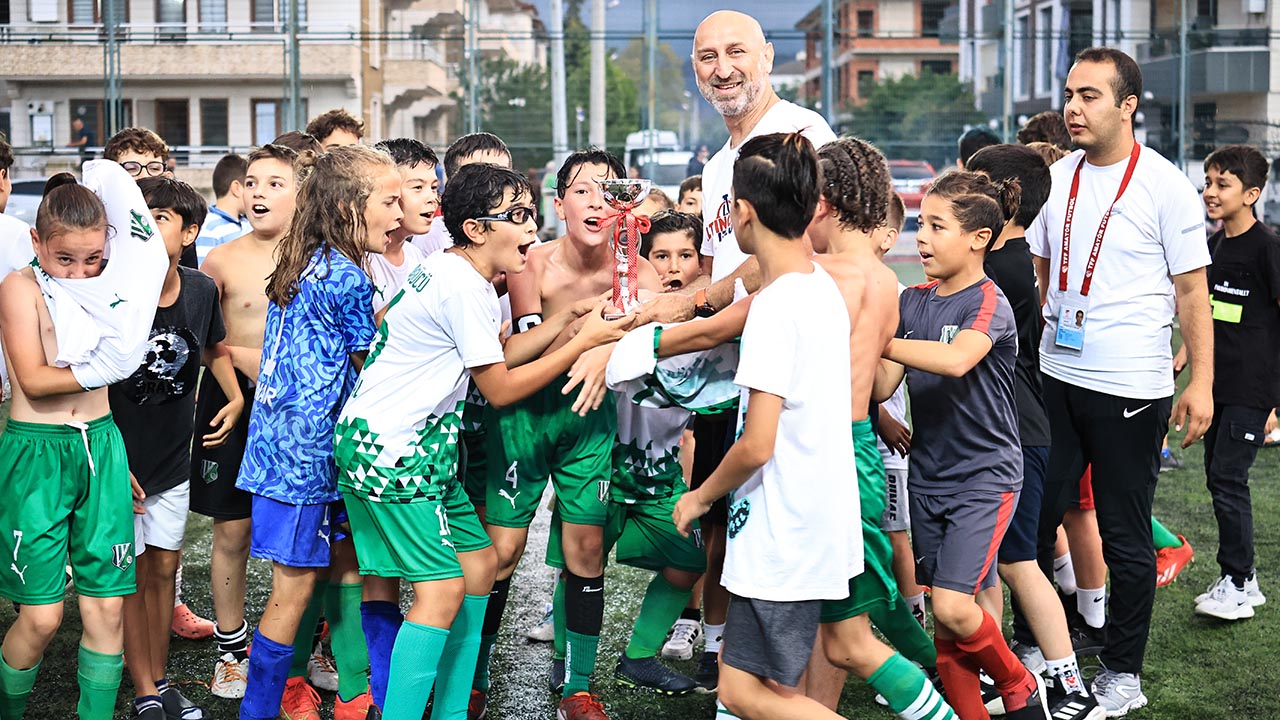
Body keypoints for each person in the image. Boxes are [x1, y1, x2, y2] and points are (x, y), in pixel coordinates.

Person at [334, 161, 627, 719]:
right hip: (390, 454)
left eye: (529, 213)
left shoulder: (452, 272)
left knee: (479, 568)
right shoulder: (463, 287)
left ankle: (448, 711)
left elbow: (495, 356)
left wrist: (565, 320)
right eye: (516, 216)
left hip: (420, 452)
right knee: (442, 591)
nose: (529, 229)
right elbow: (498, 388)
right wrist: (581, 340)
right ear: (475, 229)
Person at [647, 12, 837, 687]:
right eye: (706, 57)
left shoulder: (802, 135)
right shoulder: (720, 160)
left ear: (768, 57)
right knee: (722, 518)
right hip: (724, 371)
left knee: (776, 525)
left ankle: (787, 677)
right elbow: (710, 268)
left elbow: (798, 248)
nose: (722, 67)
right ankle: (723, 654)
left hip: (781, 362)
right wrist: (653, 301)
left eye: (735, 52)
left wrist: (700, 303)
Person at [1027, 47, 1213, 716]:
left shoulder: (1164, 185)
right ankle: (1036, 652)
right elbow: (1047, 271)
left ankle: (1121, 672)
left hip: (1132, 385)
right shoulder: (1059, 177)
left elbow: (1193, 290)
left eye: (1090, 96)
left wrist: (1201, 382)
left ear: (1128, 105)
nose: (1073, 107)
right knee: (1038, 519)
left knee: (1125, 533)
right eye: (1069, 94)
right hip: (1057, 374)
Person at [671, 132, 858, 720]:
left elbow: (756, 443)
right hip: (803, 524)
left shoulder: (777, 309)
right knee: (762, 693)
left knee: (744, 692)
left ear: (742, 216)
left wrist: (699, 497)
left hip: (785, 534)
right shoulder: (815, 287)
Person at [473, 148, 660, 720]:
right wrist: (587, 333)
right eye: (583, 190)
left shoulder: (638, 268)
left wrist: (618, 345)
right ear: (559, 205)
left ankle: (578, 687)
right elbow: (517, 351)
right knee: (500, 552)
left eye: (610, 189)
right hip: (523, 418)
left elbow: (655, 343)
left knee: (586, 550)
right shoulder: (531, 264)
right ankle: (472, 678)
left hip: (589, 419)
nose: (599, 200)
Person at [875, 169, 1049, 720]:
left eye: (936, 226)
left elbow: (955, 361)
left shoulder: (988, 302)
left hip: (986, 476)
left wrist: (881, 338)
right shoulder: (913, 300)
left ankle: (1021, 685)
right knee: (949, 623)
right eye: (919, 225)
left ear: (978, 238)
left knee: (953, 605)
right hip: (926, 475)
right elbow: (883, 385)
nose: (920, 238)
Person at [236, 145, 401, 720]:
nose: (399, 214)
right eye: (389, 201)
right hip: (305, 460)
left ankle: (367, 694)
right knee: (294, 589)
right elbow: (372, 369)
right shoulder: (347, 276)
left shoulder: (309, 259)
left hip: (283, 451)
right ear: (351, 206)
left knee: (335, 573)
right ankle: (257, 710)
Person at [0, 162, 168, 719]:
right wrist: (110, 369)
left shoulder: (112, 286)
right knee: (42, 617)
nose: (79, 272)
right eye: (63, 258)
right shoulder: (19, 287)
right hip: (37, 453)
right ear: (36, 241)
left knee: (108, 613)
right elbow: (34, 380)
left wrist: (114, 456)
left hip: (101, 446)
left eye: (93, 258)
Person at [803, 136, 957, 720]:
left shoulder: (821, 276)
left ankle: (957, 677)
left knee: (856, 624)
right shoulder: (881, 281)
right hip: (852, 449)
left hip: (834, 457)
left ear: (823, 202)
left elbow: (721, 323)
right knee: (841, 619)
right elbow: (879, 388)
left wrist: (655, 331)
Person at [967, 143, 1103, 719]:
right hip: (1009, 429)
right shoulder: (1010, 260)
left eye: (970, 187)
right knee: (992, 566)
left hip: (1016, 434)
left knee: (1020, 561)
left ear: (1001, 198)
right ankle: (999, 674)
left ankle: (1070, 684)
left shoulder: (1001, 269)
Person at [114, 176, 244, 720]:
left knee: (165, 572)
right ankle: (144, 690)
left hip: (172, 459)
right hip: (120, 461)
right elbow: (89, 380)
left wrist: (235, 396)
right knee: (131, 577)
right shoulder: (111, 288)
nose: (146, 223)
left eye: (161, 216)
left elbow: (213, 345)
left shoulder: (199, 288)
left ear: (191, 231)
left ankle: (161, 681)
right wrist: (111, 460)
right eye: (139, 213)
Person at [194, 143, 309, 700]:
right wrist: (247, 373)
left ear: (302, 193)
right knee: (233, 530)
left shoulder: (322, 259)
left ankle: (312, 645)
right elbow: (206, 340)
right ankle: (231, 651)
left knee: (309, 536)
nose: (258, 192)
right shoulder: (220, 262)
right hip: (233, 400)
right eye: (252, 182)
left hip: (301, 409)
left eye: (274, 183)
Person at [1189, 144, 1279, 620]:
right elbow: (1210, 313)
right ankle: (1246, 579)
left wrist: (1274, 402)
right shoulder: (1215, 245)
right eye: (1208, 182)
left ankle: (1238, 582)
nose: (1210, 192)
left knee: (1228, 478)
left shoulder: (1268, 247)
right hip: (1216, 386)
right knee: (1218, 477)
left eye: (1222, 184)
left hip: (1253, 388)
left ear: (1251, 194)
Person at [368, 138, 440, 323]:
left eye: (434, 188)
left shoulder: (418, 258)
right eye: (418, 187)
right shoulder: (360, 260)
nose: (432, 198)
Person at [418, 133, 514, 255]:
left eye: (502, 177)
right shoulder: (431, 239)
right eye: (478, 179)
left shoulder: (522, 231)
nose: (492, 187)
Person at [196, 153, 249, 265]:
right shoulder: (209, 227)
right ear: (237, 188)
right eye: (250, 185)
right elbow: (203, 274)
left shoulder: (248, 223)